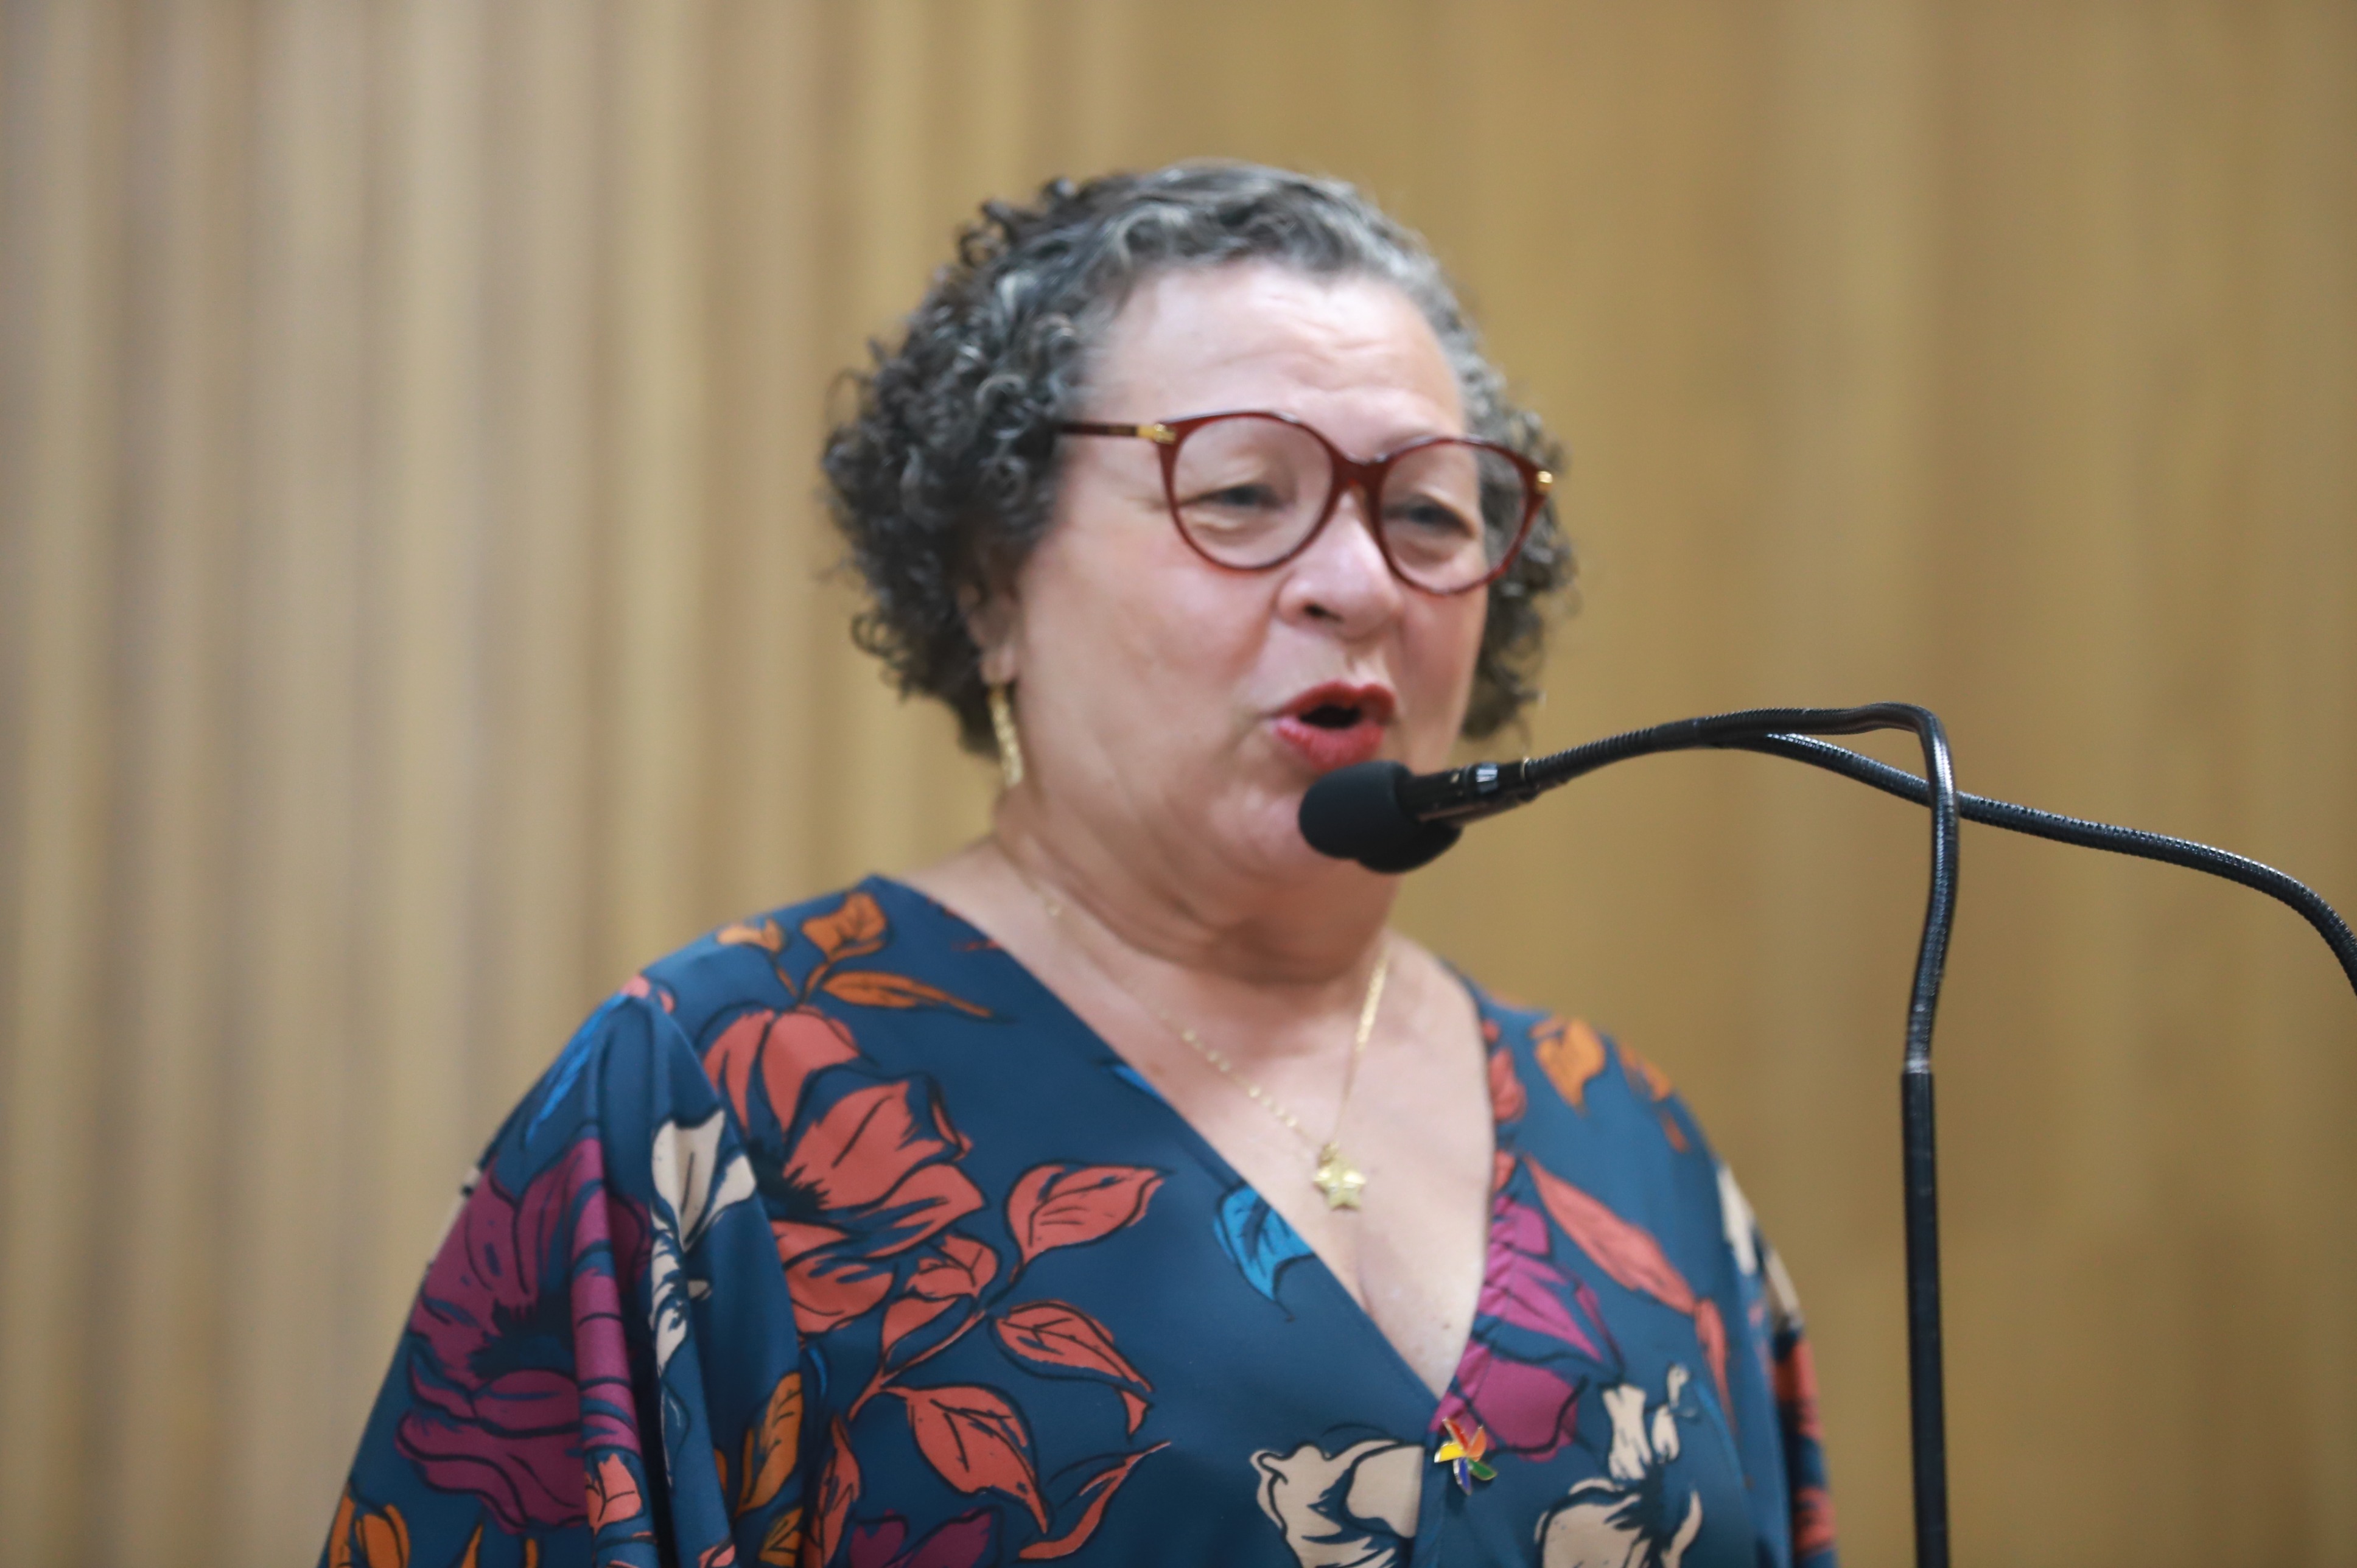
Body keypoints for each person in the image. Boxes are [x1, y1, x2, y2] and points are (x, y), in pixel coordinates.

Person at [323, 163, 1835, 1568]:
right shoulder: (716, 1094)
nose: (1361, 581)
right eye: (1242, 495)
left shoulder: (1625, 1138)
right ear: (990, 581)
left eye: (1431, 514)